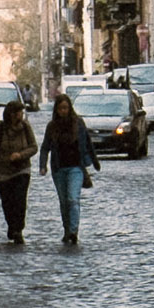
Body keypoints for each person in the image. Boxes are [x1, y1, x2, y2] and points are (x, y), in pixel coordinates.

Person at [41, 85, 101, 246]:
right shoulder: (52, 126)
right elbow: (45, 147)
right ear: (57, 110)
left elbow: (87, 143)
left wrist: (95, 163)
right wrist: (43, 165)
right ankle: (67, 229)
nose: (63, 111)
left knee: (73, 198)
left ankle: (74, 231)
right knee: (63, 201)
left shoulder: (78, 123)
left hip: (76, 167)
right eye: (61, 108)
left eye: (66, 108)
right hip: (59, 168)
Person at [0, 98, 38, 243]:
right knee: (7, 202)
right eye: (18, 113)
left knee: (20, 199)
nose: (20, 116)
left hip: (22, 169)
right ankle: (11, 225)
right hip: (4, 172)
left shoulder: (26, 128)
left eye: (21, 113)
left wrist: (21, 155)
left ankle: (18, 229)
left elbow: (34, 147)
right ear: (11, 114)